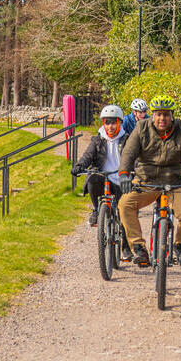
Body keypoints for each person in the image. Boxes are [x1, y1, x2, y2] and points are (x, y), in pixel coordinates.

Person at [118, 96, 181, 268]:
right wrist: (124, 173)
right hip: (146, 180)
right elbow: (129, 152)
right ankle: (139, 248)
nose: (162, 118)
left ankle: (180, 246)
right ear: (152, 115)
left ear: (172, 115)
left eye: (166, 114)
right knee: (124, 205)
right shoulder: (141, 127)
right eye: (158, 114)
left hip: (175, 182)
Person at [74, 105, 132, 261]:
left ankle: (126, 247)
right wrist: (80, 166)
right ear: (103, 123)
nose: (110, 126)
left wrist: (134, 172)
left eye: (114, 122)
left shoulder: (127, 139)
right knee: (92, 179)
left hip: (122, 181)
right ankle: (97, 209)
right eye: (107, 122)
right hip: (103, 177)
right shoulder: (98, 139)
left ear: (120, 123)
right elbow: (88, 155)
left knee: (124, 214)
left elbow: (134, 158)